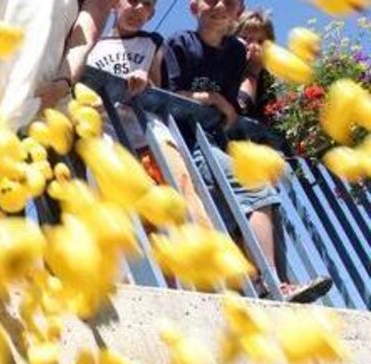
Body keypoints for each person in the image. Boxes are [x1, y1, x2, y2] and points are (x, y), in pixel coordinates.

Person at [164, 0, 332, 302]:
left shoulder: (234, 53)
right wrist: (213, 98)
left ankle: (272, 283)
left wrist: (226, 99)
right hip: (188, 144)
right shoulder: (180, 43)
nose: (219, 6)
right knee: (255, 192)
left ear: (237, 12)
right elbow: (171, 94)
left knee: (264, 200)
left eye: (228, 2)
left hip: (214, 144)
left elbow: (234, 106)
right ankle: (271, 284)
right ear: (193, 7)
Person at [84, 0, 214, 229]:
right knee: (139, 215)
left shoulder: (152, 42)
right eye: (132, 1)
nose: (138, 8)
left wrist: (147, 81)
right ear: (115, 4)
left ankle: (209, 254)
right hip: (110, 140)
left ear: (152, 13)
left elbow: (164, 89)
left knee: (182, 194)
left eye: (146, 4)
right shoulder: (93, 47)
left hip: (150, 135)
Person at [228, 9, 291, 155]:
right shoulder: (225, 69)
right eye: (246, 38)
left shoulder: (269, 81)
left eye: (260, 41)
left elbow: (275, 123)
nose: (254, 46)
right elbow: (238, 109)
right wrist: (251, 75)